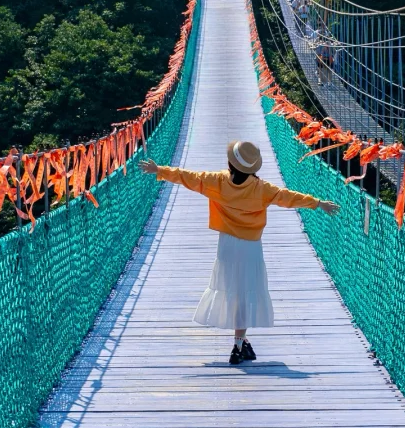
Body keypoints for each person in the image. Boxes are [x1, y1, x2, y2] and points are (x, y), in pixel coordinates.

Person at [140, 139, 339, 364]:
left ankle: (241, 343)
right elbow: (287, 197)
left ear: (230, 163)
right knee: (245, 293)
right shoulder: (262, 189)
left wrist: (160, 170)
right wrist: (317, 203)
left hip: (227, 245)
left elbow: (189, 177)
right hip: (250, 247)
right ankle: (238, 344)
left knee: (232, 291)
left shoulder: (218, 181)